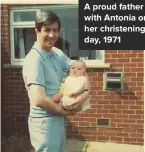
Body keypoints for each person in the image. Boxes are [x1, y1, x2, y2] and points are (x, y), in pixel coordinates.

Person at [22, 11, 89, 152]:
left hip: (57, 118)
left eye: (55, 30)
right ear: (37, 30)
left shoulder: (57, 53)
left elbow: (81, 70)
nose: (52, 35)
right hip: (45, 122)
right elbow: (39, 99)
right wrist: (63, 112)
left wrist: (85, 93)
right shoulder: (34, 59)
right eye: (47, 30)